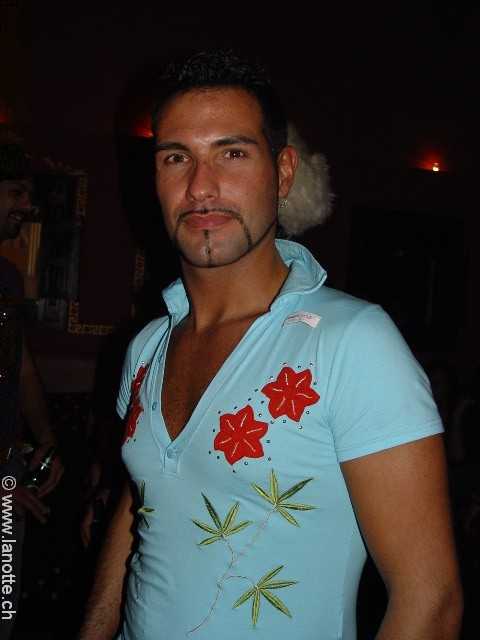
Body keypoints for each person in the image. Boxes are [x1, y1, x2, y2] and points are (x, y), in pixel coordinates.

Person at [79, 51, 462, 639]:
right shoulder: (147, 348)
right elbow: (143, 503)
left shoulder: (352, 344)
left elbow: (429, 603)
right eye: (176, 157)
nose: (200, 186)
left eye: (232, 153)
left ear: (282, 174)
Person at [0, 140, 64, 639]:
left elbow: (18, 363)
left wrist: (46, 437)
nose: (27, 205)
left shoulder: (6, 276)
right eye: (16, 191)